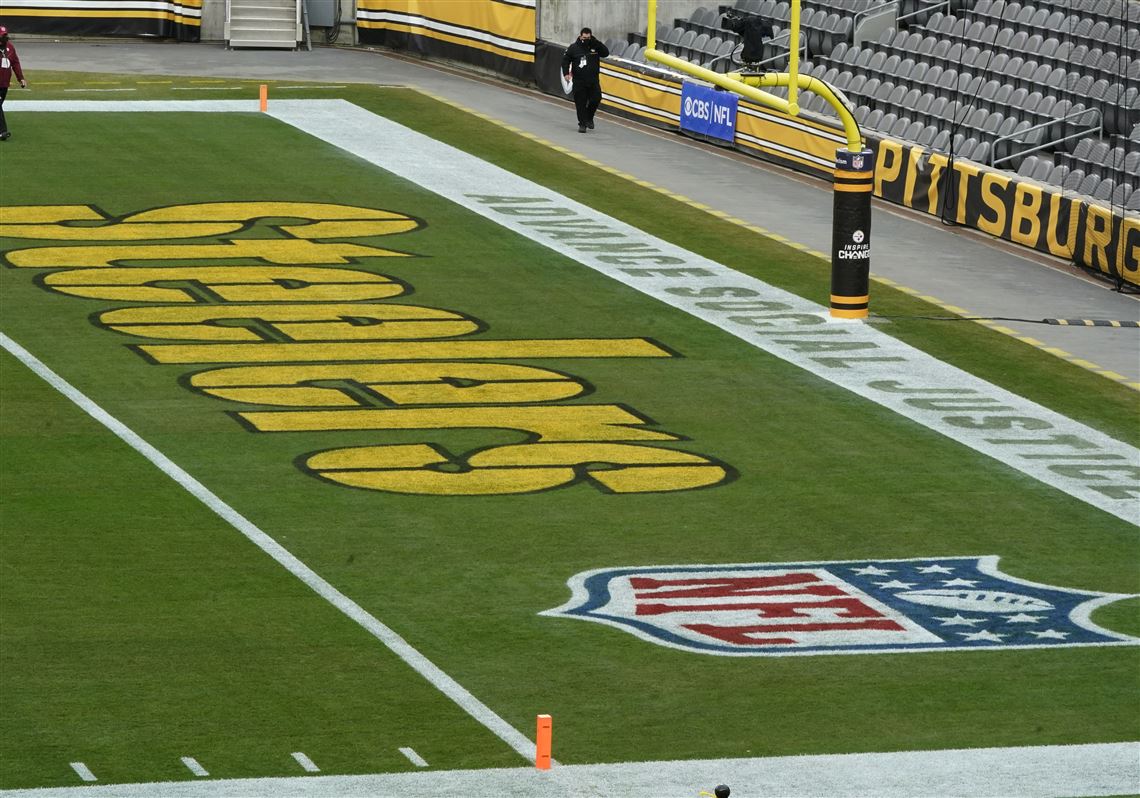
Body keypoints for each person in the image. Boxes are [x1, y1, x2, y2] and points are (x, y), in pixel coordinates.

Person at [561, 27, 609, 133]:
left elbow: (606, 53)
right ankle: (582, 124)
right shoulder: (573, 47)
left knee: (596, 98)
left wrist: (596, 42)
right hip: (579, 80)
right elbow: (565, 61)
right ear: (580, 36)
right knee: (580, 103)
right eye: (584, 37)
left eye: (588, 37)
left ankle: (589, 117)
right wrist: (566, 73)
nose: (586, 39)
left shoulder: (595, 46)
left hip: (593, 80)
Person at [0, 25, 28, 141]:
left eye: (6, 35)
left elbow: (15, 63)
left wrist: (20, 78)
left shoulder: (10, 48)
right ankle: (2, 131)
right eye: (3, 36)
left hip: (4, 84)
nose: (5, 38)